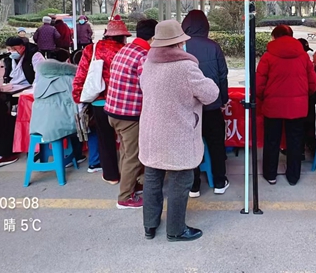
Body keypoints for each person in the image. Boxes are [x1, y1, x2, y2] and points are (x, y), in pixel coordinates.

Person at [139, 20, 219, 242]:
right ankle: (175, 230)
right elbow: (211, 94)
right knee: (180, 179)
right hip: (178, 133)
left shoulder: (148, 63)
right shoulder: (186, 67)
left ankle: (149, 226)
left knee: (152, 178)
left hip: (151, 132)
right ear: (178, 43)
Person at [105, 19, 158, 209]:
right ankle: (125, 197)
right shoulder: (144, 56)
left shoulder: (125, 50)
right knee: (133, 156)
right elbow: (150, 87)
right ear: (154, 37)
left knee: (126, 152)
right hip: (129, 115)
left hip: (113, 111)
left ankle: (133, 184)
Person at [256, 24, 316, 186]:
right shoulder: (303, 56)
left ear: (275, 36)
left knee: (272, 140)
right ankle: (293, 176)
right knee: (295, 141)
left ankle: (270, 174)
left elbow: (259, 84)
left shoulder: (268, 56)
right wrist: (304, 96)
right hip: (297, 106)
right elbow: (313, 82)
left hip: (273, 106)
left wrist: (263, 97)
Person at [72, 16, 129, 184]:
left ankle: (111, 176)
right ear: (123, 36)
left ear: (106, 34)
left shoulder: (91, 49)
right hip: (121, 103)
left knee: (105, 139)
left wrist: (77, 96)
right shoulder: (125, 51)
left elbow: (81, 74)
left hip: (99, 102)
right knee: (127, 142)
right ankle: (129, 176)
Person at [182, 9, 230, 197]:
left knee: (191, 145)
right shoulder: (214, 46)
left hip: (188, 108)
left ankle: (194, 186)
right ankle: (219, 182)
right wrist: (223, 99)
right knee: (216, 144)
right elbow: (222, 76)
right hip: (211, 106)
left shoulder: (181, 47)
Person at [30, 59, 80, 149]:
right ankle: (77, 154)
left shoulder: (41, 79)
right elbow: (76, 104)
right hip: (60, 127)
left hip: (37, 126)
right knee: (85, 127)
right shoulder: (70, 79)